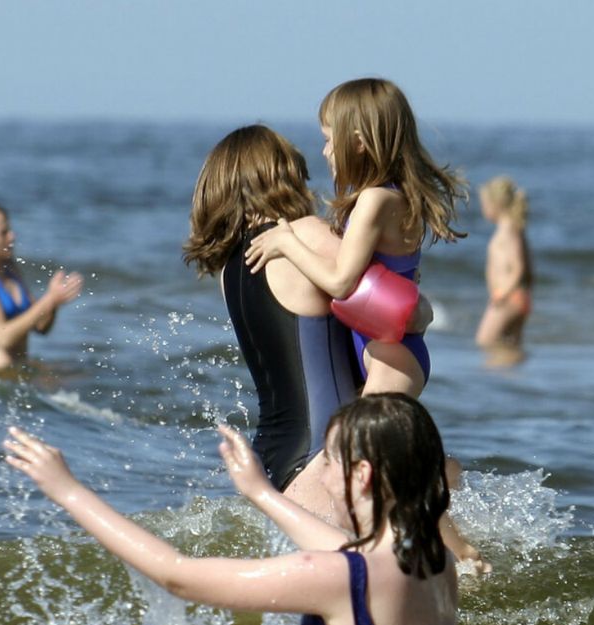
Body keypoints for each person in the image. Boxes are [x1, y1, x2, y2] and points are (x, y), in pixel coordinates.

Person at [3, 393, 458, 625]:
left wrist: (67, 491)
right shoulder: (435, 562)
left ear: (361, 474)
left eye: (328, 462)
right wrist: (261, 494)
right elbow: (347, 556)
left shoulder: (342, 577)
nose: (320, 479)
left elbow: (176, 575)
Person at [244, 77, 466, 399]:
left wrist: (286, 242)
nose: (324, 151)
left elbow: (340, 282)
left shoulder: (375, 201)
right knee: (379, 448)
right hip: (381, 350)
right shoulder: (388, 197)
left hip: (391, 359)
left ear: (358, 142)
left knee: (362, 448)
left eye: (329, 139)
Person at [183, 125, 361, 502]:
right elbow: (394, 304)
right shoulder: (306, 236)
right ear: (282, 176)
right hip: (323, 453)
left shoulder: (230, 270)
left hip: (268, 460)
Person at [0, 202, 83, 373]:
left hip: (21, 371)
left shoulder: (8, 266)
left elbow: (41, 327)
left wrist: (55, 303)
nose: (12, 236)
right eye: (3, 233)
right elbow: (3, 337)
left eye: (9, 230)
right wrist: (49, 299)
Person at [474, 176, 534, 366]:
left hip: (508, 298)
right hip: (519, 298)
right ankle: (512, 379)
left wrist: (501, 295)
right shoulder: (516, 229)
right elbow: (529, 270)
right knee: (510, 346)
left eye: (484, 204)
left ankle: (502, 380)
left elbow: (518, 267)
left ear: (495, 205)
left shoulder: (508, 230)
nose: (483, 209)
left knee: (484, 340)